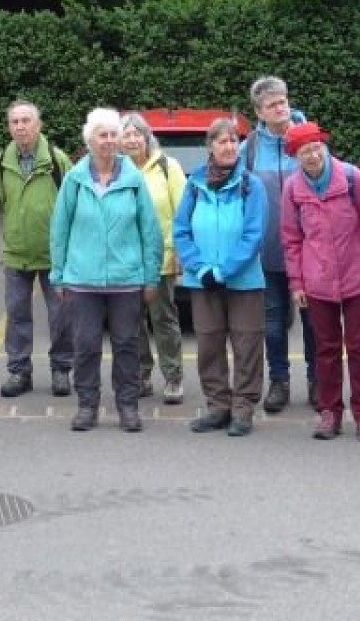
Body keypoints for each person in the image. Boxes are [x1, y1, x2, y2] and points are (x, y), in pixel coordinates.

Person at [49, 109, 163, 433]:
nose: (109, 141)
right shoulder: (74, 179)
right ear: (90, 140)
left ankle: (128, 405)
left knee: (127, 345)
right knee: (85, 345)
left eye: (114, 135)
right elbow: (60, 230)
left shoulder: (134, 179)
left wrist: (151, 276)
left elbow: (149, 231)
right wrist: (58, 276)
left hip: (127, 280)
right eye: (103, 135)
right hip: (82, 280)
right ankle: (87, 405)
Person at [278, 121, 360, 442]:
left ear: (324, 147)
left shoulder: (353, 178)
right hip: (318, 282)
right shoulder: (293, 190)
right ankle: (330, 412)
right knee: (325, 349)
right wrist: (297, 282)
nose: (312, 155)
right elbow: (291, 239)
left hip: (358, 277)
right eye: (304, 151)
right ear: (295, 157)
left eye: (316, 148)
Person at [174, 118, 267, 436]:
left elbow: (253, 235)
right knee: (209, 345)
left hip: (243, 281)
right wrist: (200, 268)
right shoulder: (194, 185)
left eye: (232, 141)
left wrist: (223, 271)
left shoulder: (251, 185)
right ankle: (218, 407)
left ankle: (243, 409)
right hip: (202, 281)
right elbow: (181, 230)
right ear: (210, 146)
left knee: (247, 345)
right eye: (221, 141)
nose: (228, 147)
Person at [242, 75, 317, 415]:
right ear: (259, 111)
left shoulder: (310, 138)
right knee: (272, 323)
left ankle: (318, 380)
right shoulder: (251, 148)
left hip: (311, 252)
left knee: (315, 321)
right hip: (268, 251)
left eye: (283, 100)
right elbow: (240, 194)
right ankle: (279, 381)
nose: (280, 106)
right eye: (272, 104)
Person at [0, 100, 74, 398]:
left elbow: (71, 204)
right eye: (15, 122)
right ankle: (19, 372)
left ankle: (61, 371)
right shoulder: (2, 159)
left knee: (61, 315)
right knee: (16, 314)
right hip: (16, 253)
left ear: (38, 125)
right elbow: (6, 201)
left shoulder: (57, 160)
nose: (21, 127)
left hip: (53, 254)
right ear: (9, 127)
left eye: (26, 120)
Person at [119, 111, 188, 404]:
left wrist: (180, 253)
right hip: (125, 260)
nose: (132, 139)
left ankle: (173, 378)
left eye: (136, 133)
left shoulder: (166, 166)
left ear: (146, 136)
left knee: (163, 319)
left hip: (161, 258)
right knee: (131, 322)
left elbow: (182, 212)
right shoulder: (118, 169)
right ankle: (141, 375)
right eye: (126, 134)